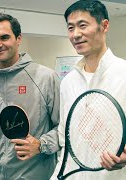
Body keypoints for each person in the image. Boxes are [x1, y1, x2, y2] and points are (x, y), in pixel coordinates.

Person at [0, 12, 60, 180]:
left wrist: (41, 145)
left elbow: (65, 127)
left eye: (4, 37)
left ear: (19, 38)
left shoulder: (45, 77)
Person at [51, 1, 126, 179]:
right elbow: (65, 139)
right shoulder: (68, 82)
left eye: (82, 25)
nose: (76, 34)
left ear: (104, 25)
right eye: (70, 28)